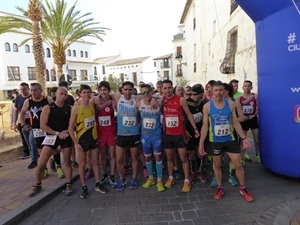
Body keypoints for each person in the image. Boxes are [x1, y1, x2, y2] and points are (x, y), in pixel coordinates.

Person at [198, 81, 254, 202]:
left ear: (224, 91)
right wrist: (201, 144)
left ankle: (243, 188)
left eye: (221, 90)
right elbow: (204, 126)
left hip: (230, 139)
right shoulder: (207, 106)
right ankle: (219, 187)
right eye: (216, 90)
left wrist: (243, 138)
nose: (219, 93)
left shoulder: (230, 104)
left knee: (238, 164)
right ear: (213, 91)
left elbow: (235, 122)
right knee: (217, 165)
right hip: (215, 141)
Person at [28, 87, 73, 197]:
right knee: (41, 163)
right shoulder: (48, 107)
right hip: (52, 137)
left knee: (67, 162)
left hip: (65, 137)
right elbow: (43, 125)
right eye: (61, 93)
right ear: (56, 94)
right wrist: (57, 133)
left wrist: (68, 130)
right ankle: (38, 184)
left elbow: (73, 123)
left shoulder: (70, 108)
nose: (63, 96)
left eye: (65, 94)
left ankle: (69, 184)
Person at [68, 84, 107, 199]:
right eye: (84, 92)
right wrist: (76, 143)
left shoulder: (92, 105)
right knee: (83, 164)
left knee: (95, 162)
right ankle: (84, 187)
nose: (86, 94)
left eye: (88, 92)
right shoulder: (76, 107)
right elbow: (70, 127)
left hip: (93, 138)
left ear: (91, 93)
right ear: (80, 94)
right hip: (82, 140)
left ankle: (97, 184)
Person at [162, 79, 200, 193]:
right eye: (165, 88)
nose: (167, 90)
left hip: (179, 134)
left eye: (169, 88)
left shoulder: (181, 100)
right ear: (162, 89)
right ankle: (170, 178)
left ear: (172, 87)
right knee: (169, 158)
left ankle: (187, 180)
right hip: (168, 134)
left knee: (183, 158)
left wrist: (195, 129)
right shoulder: (160, 100)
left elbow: (188, 114)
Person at [20, 83, 53, 177]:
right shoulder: (28, 101)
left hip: (48, 127)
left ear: (40, 91)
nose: (33, 92)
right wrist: (23, 125)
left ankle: (56, 164)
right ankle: (45, 169)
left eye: (35, 90)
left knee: (53, 148)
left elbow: (55, 111)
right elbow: (22, 113)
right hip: (36, 129)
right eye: (32, 90)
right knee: (41, 149)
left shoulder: (48, 99)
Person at [137, 84, 165, 192]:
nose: (146, 94)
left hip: (156, 135)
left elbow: (162, 97)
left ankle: (159, 180)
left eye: (148, 92)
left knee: (158, 158)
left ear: (151, 92)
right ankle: (151, 178)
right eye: (143, 92)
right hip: (145, 136)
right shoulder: (139, 104)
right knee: (147, 158)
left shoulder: (158, 102)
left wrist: (154, 98)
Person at [92, 81, 118, 188]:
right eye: (101, 90)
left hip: (111, 132)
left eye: (105, 90)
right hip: (100, 133)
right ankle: (104, 174)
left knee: (112, 154)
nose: (103, 92)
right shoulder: (95, 101)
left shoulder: (113, 100)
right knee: (102, 156)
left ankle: (112, 175)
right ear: (98, 91)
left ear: (109, 90)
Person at [185, 84, 206, 184]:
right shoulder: (186, 102)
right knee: (191, 153)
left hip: (201, 130)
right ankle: (193, 172)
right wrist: (186, 131)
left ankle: (200, 171)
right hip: (190, 132)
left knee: (200, 151)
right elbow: (183, 118)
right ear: (200, 93)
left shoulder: (202, 102)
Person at [235, 80, 260, 163]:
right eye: (245, 86)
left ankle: (258, 154)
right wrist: (243, 117)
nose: (247, 87)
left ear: (251, 87)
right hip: (244, 120)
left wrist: (253, 115)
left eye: (249, 86)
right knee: (243, 140)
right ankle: (242, 157)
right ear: (242, 87)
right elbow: (238, 110)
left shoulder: (255, 96)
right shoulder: (239, 99)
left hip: (253, 119)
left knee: (257, 139)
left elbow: (258, 108)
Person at [12, 83, 31, 160]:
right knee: (24, 138)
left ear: (28, 89)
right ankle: (26, 152)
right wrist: (14, 123)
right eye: (21, 89)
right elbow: (15, 111)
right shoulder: (18, 98)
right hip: (22, 122)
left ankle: (35, 152)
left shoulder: (32, 97)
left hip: (32, 122)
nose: (22, 91)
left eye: (24, 89)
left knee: (33, 139)